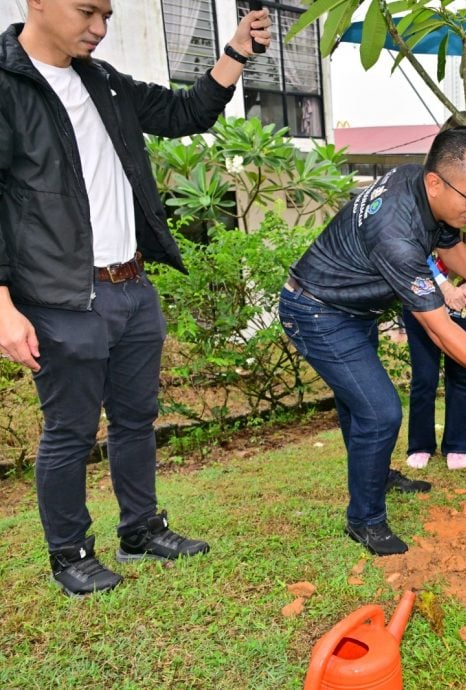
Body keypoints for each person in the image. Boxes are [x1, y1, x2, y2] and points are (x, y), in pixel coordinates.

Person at [0, 1, 271, 596]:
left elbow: (184, 112)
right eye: (87, 12)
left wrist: (236, 54)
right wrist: (3, 306)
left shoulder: (104, 83)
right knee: (69, 432)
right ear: (37, 1)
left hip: (132, 287)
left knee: (136, 420)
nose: (98, 28)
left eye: (108, 17)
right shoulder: (7, 85)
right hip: (60, 297)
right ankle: (69, 552)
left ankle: (141, 529)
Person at [279, 126, 466, 556]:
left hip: (352, 309)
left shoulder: (422, 185)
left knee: (359, 406)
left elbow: (449, 247)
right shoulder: (396, 230)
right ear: (437, 183)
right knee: (379, 412)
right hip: (317, 310)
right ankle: (365, 520)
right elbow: (440, 328)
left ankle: (374, 477)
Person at [402, 115, 466, 472]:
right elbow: (411, 253)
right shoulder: (419, 196)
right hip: (422, 296)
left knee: (461, 373)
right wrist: (442, 287)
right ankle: (420, 444)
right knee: (424, 376)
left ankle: (457, 444)